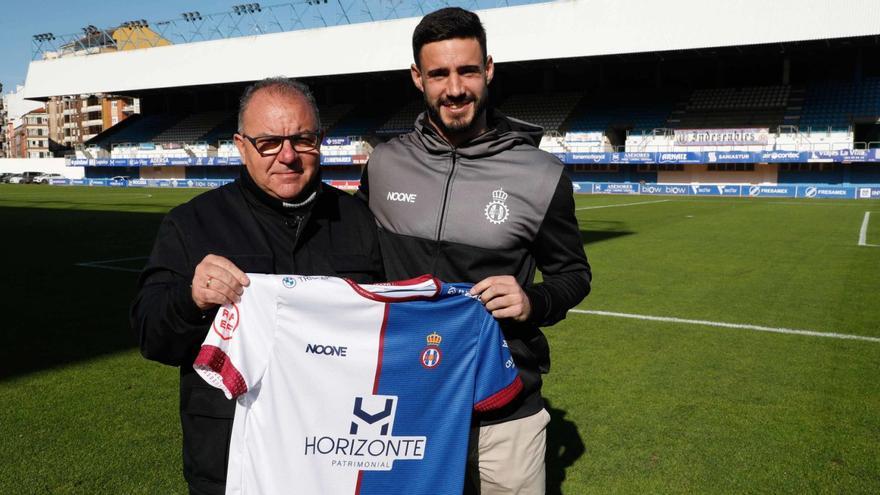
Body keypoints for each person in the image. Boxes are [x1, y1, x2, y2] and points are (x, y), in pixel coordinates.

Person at [357, 7, 591, 495]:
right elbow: (351, 261)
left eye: (466, 70)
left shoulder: (540, 175)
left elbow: (573, 274)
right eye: (439, 74)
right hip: (402, 397)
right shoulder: (385, 165)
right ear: (417, 78)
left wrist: (534, 302)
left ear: (488, 69)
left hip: (505, 403)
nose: (455, 88)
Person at [131, 77, 383, 495]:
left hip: (336, 455)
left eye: (302, 139)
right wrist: (190, 300)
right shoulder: (192, 224)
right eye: (268, 142)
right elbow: (151, 336)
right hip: (231, 463)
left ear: (320, 140)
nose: (287, 156)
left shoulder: (359, 221)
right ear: (240, 145)